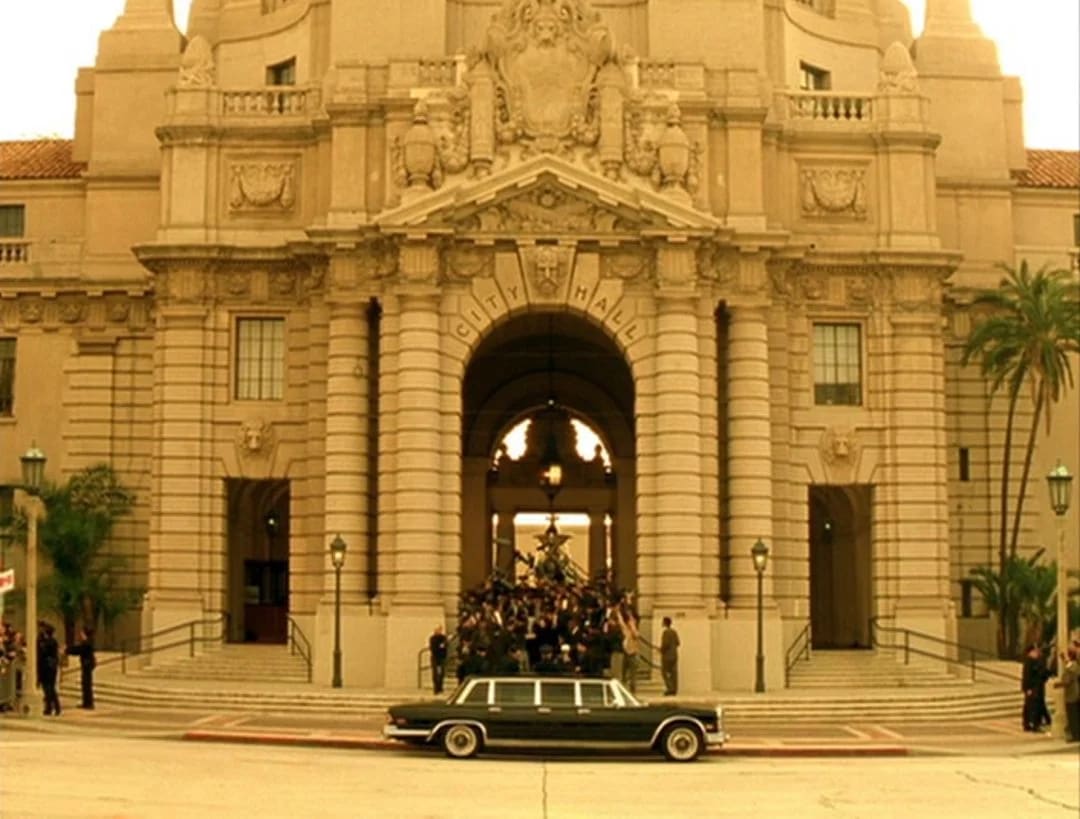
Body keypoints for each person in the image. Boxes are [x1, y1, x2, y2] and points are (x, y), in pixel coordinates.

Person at [65, 627, 96, 709]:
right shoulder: (86, 643)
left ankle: (88, 703)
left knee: (87, 685)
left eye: (81, 633)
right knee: (85, 685)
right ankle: (86, 702)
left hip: (87, 666)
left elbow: (78, 650)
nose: (80, 635)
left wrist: (67, 650)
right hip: (86, 666)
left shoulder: (86, 644)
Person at [1054, 645, 1080, 742]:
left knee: (1072, 716)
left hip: (1071, 694)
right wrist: (1064, 659)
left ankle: (1075, 735)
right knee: (1075, 715)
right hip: (1076, 693)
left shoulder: (1071, 667)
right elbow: (1069, 665)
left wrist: (1058, 684)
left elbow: (1067, 680)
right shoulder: (1075, 665)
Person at [1021, 643, 1049, 732]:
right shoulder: (1029, 662)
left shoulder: (1035, 661)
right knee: (1032, 707)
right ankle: (1032, 724)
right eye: (1035, 651)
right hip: (1032, 688)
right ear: (1031, 652)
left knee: (1033, 706)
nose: (1036, 652)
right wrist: (1027, 688)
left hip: (1036, 687)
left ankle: (1031, 724)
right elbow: (1027, 676)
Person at [37, 622, 61, 716]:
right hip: (49, 667)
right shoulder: (49, 641)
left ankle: (51, 707)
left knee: (48, 688)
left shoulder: (49, 642)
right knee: (49, 688)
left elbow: (43, 653)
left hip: (47, 667)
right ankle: (53, 707)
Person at [660, 616, 680, 696]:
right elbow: (678, 643)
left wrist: (661, 650)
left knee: (664, 672)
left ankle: (670, 688)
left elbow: (665, 644)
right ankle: (674, 689)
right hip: (674, 655)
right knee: (673, 673)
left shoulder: (665, 632)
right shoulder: (674, 632)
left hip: (667, 656)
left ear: (665, 623)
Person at [429, 624, 448, 695]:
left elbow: (445, 646)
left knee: (441, 673)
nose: (438, 631)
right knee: (435, 673)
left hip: (442, 657)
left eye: (439, 629)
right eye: (437, 630)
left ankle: (440, 687)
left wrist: (442, 646)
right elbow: (433, 648)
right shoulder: (432, 638)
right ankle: (436, 688)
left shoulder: (443, 637)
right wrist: (441, 646)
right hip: (435, 657)